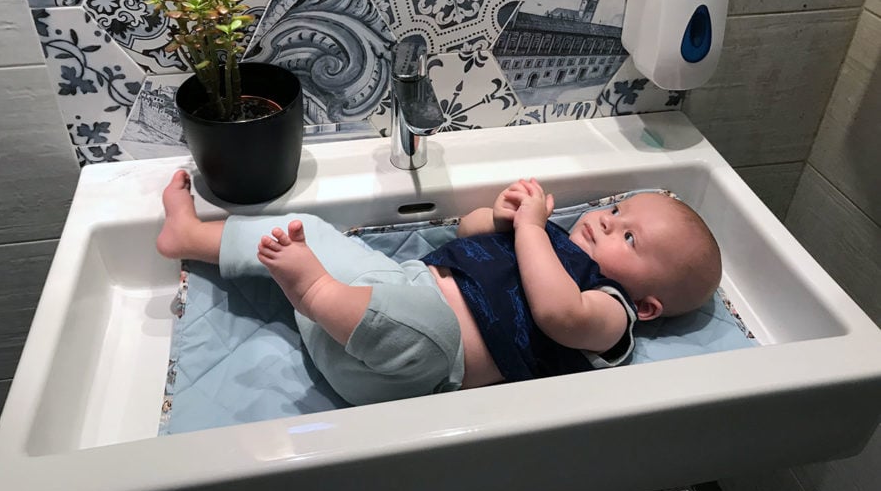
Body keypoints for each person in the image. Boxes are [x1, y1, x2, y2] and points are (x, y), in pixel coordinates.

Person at [157, 170, 721, 406]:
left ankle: (314, 294)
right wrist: (498, 219)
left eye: (629, 236)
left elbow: (557, 315)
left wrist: (528, 232)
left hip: (410, 364)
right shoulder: (545, 235)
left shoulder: (611, 311)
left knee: (426, 326)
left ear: (649, 306)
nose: (603, 219)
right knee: (319, 235)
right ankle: (193, 236)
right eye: (617, 208)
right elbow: (464, 233)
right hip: (390, 292)